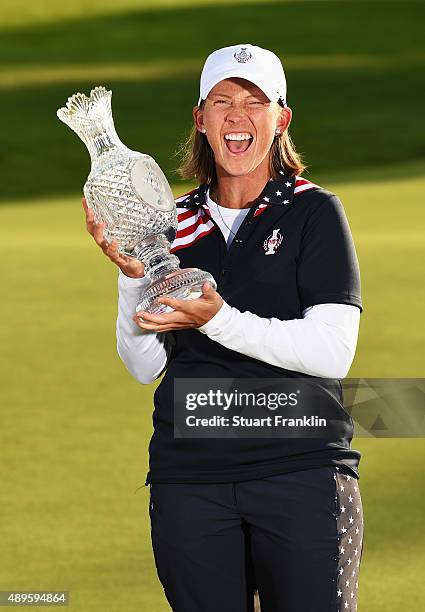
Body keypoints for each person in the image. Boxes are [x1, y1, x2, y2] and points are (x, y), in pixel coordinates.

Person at [83, 44, 364, 612]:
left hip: (300, 473)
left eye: (254, 102)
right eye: (222, 102)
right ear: (201, 119)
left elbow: (333, 353)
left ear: (280, 119)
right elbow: (145, 366)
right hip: (190, 481)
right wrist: (130, 279)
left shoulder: (314, 213)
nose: (237, 116)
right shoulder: (170, 220)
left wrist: (218, 320)